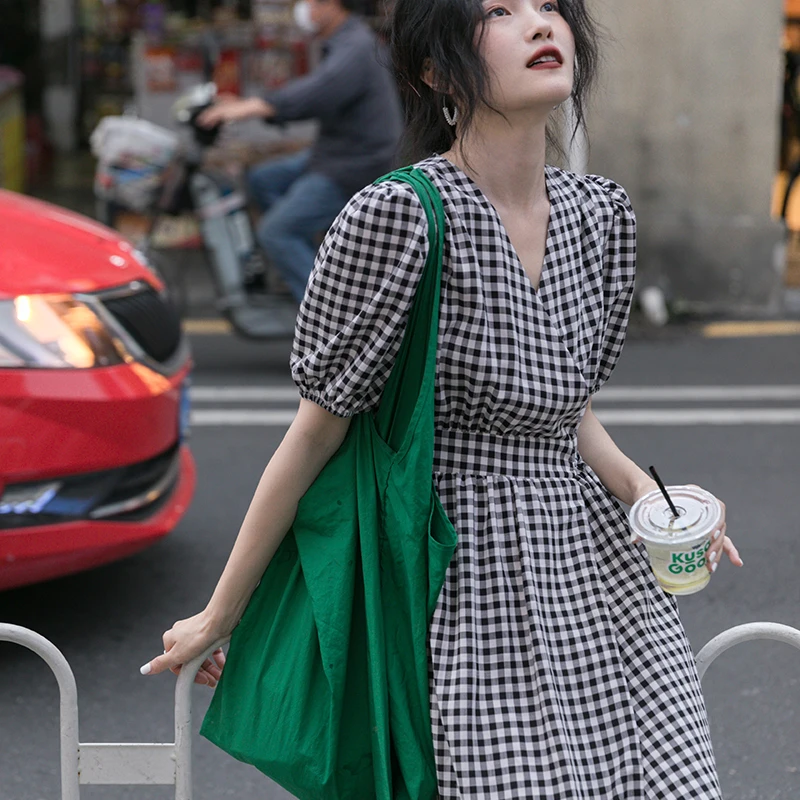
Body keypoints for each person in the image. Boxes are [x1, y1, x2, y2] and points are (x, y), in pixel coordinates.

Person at [142, 0, 744, 796]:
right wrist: (223, 611)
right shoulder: (401, 216)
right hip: (465, 579)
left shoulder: (600, 215)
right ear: (436, 71)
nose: (541, 24)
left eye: (550, 8)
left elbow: (569, 419)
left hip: (595, 574)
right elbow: (314, 436)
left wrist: (647, 496)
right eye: (501, 11)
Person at [196, 0, 403, 301]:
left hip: (354, 165)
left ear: (333, 6)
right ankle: (309, 262)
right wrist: (247, 103)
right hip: (333, 152)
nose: (306, 8)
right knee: (262, 179)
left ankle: (327, 312)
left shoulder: (355, 46)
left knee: (276, 232)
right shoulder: (342, 42)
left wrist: (255, 107)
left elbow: (319, 90)